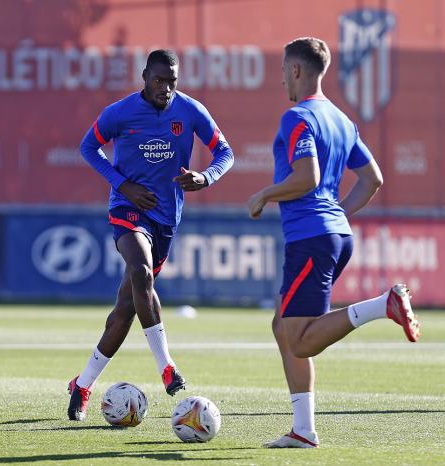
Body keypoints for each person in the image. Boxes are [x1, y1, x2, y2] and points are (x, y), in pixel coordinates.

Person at [247, 37, 421, 448]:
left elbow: (305, 178)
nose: (282, 82)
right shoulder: (342, 120)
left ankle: (383, 305)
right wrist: (337, 214)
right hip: (334, 235)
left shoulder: (297, 118)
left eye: (283, 72)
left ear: (295, 70)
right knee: (281, 326)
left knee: (301, 339)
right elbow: (372, 179)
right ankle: (303, 430)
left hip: (311, 239)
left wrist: (265, 194)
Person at [68, 49, 234, 421]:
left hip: (165, 221)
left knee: (124, 311)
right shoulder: (119, 113)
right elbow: (88, 147)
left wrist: (205, 177)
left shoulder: (190, 110)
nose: (165, 88)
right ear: (145, 77)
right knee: (141, 271)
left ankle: (82, 386)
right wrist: (122, 184)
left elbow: (225, 152)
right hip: (127, 212)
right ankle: (167, 368)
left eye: (171, 81)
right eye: (159, 80)